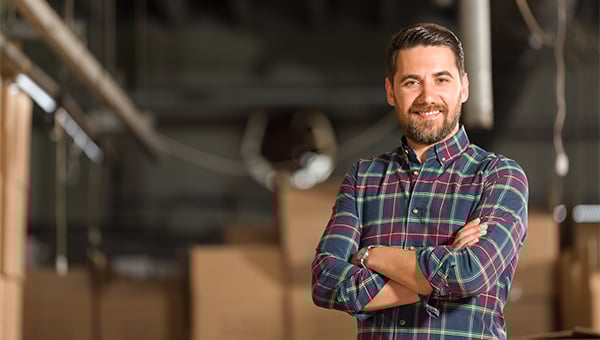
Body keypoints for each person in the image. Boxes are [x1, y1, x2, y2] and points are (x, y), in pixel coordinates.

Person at [311, 22, 528, 340]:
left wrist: (370, 256)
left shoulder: (499, 176)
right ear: (390, 91)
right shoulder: (363, 179)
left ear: (464, 87)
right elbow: (325, 282)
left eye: (442, 79)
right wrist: (441, 266)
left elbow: (471, 274)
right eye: (412, 82)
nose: (428, 96)